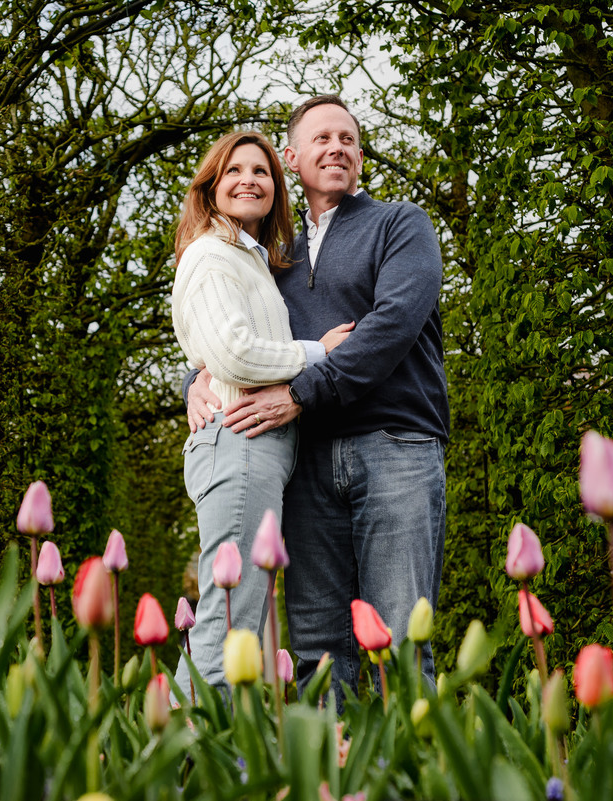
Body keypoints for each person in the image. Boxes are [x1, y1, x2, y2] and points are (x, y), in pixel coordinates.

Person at [186, 97, 449, 707]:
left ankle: (409, 775)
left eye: (349, 138)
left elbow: (390, 328)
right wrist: (195, 379)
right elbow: (231, 331)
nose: (338, 147)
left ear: (359, 155)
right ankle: (329, 773)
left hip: (396, 446)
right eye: (322, 138)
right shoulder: (274, 256)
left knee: (402, 635)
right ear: (292, 159)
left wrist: (301, 393)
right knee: (316, 646)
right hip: (305, 463)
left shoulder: (401, 224)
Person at [171, 130, 354, 694]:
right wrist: (321, 350)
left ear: (277, 188)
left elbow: (216, 355)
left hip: (256, 449)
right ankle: (193, 767)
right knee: (229, 626)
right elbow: (235, 353)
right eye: (235, 171)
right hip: (239, 442)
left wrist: (197, 376)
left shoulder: (252, 260)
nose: (249, 180)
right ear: (211, 187)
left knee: (236, 619)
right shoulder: (210, 254)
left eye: (262, 172)